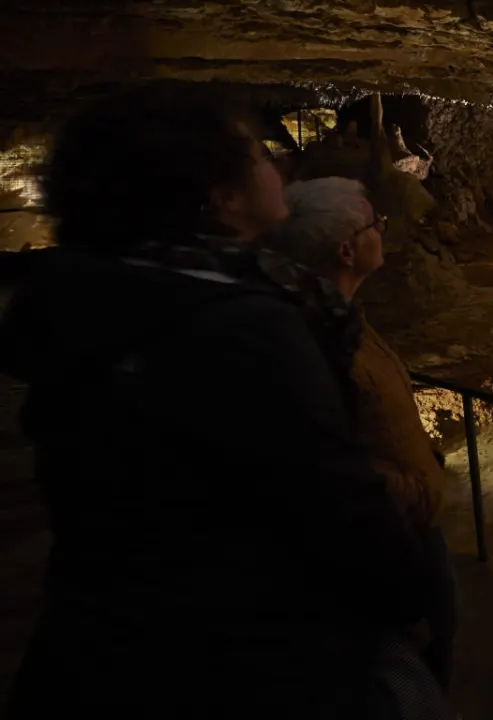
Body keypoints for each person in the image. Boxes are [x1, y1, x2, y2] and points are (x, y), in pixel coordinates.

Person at [0, 86, 431, 718]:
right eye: (258, 153)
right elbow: (333, 502)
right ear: (222, 198)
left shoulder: (85, 297)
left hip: (102, 640)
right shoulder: (245, 325)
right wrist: (409, 598)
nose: (280, 164)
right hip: (242, 658)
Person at [268, 177, 459, 690]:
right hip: (392, 533)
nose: (384, 230)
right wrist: (411, 491)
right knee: (418, 663)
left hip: (412, 522)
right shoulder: (317, 341)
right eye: (376, 223)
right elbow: (330, 467)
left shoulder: (345, 320)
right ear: (347, 251)